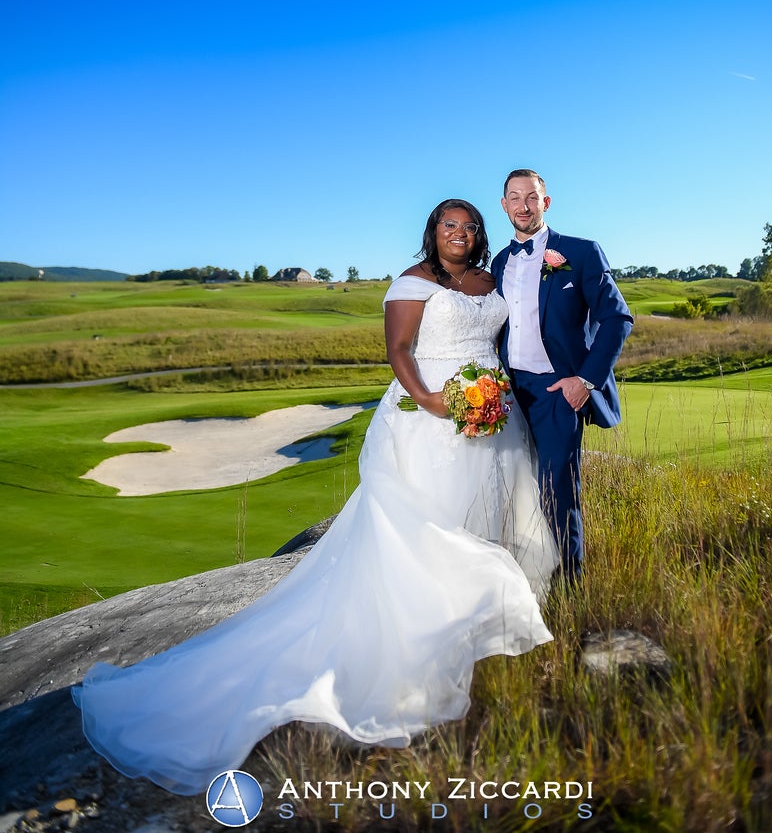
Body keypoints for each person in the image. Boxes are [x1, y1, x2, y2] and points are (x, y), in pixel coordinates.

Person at [73, 199, 558, 796]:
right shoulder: (413, 281)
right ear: (433, 232)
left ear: (479, 234)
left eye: (469, 226)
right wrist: (434, 402)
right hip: (433, 412)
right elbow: (399, 351)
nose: (459, 233)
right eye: (448, 225)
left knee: (492, 511)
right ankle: (422, 644)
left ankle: (476, 637)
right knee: (432, 527)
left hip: (492, 408)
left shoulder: (489, 278)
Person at [492, 170, 633, 582]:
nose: (523, 206)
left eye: (531, 197)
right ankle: (521, 581)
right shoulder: (499, 263)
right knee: (511, 490)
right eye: (514, 197)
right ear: (504, 205)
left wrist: (584, 381)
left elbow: (617, 318)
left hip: (558, 391)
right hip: (510, 395)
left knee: (556, 493)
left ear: (546, 202)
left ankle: (569, 589)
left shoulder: (581, 252)